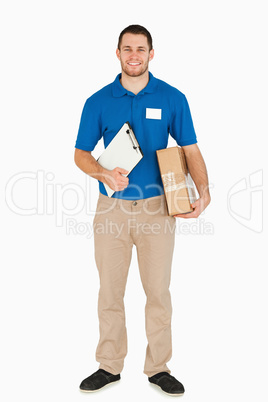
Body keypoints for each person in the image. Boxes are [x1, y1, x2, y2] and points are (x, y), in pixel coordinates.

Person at [74, 24, 211, 396]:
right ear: (117, 54)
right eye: (127, 48)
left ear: (152, 54)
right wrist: (103, 172)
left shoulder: (172, 97)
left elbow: (191, 148)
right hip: (112, 210)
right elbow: (80, 155)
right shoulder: (98, 101)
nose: (134, 55)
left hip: (158, 210)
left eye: (141, 49)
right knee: (109, 292)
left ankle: (158, 368)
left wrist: (205, 190)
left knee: (158, 292)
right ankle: (109, 365)